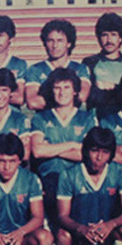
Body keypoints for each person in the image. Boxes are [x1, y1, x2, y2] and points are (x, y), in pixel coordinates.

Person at [54, 127, 122, 245]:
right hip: (80, 232)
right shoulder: (68, 174)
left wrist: (110, 225)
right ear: (86, 150)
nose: (99, 157)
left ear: (111, 154)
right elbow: (62, 216)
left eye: (105, 152)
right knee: (62, 236)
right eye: (94, 151)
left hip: (108, 232)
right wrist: (81, 229)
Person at [30, 67, 97, 225]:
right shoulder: (40, 118)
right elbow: (38, 151)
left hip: (78, 181)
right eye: (57, 88)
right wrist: (73, 145)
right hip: (48, 180)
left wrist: (51, 148)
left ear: (75, 91)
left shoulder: (87, 118)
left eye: (67, 87)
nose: (62, 92)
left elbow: (89, 156)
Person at [82, 12, 122, 120]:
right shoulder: (90, 62)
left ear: (120, 38)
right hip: (97, 120)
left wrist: (110, 88)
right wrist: (120, 90)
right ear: (98, 38)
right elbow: (91, 96)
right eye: (104, 35)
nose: (109, 40)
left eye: (113, 34)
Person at [25, 19, 91, 111]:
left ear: (69, 43)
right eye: (50, 40)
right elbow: (33, 102)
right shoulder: (35, 69)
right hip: (46, 119)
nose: (55, 45)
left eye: (60, 41)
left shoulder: (80, 68)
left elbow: (82, 96)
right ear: (45, 43)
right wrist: (65, 99)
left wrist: (51, 97)